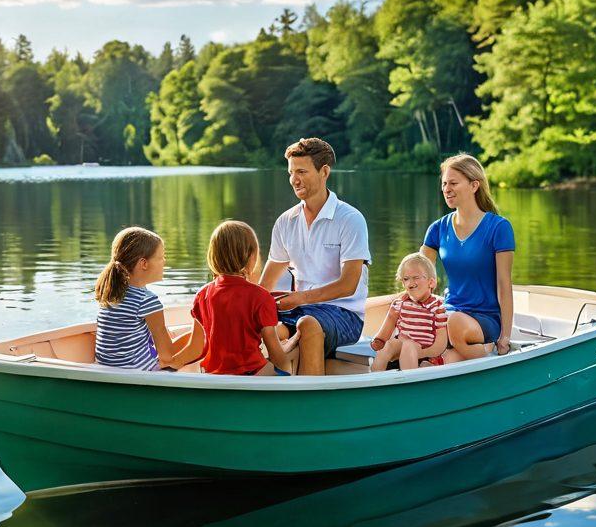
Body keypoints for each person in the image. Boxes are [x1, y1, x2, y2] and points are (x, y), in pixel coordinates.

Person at [259, 137, 370, 376]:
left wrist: (299, 298)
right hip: (300, 310)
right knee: (262, 324)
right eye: (290, 172)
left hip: (343, 314)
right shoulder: (285, 222)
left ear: (324, 172)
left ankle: (310, 405)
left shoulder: (350, 219)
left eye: (301, 171)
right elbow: (265, 285)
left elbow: (348, 285)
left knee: (307, 324)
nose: (294, 179)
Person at [420, 155, 514, 362]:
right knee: (429, 329)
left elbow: (504, 284)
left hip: (485, 318)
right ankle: (437, 363)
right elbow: (419, 276)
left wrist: (505, 336)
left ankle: (487, 348)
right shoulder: (437, 229)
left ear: (474, 186)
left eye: (453, 183)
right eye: (444, 183)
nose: (446, 188)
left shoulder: (499, 228)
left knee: (452, 323)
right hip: (449, 312)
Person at [179, 220, 298, 376]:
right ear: (251, 257)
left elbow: (195, 348)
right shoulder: (261, 297)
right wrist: (293, 349)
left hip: (212, 374)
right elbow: (275, 354)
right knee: (297, 349)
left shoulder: (202, 294)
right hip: (251, 374)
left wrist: (168, 361)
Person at [94, 226, 196, 369]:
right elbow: (166, 356)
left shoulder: (111, 293)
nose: (164, 261)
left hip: (106, 369)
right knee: (198, 349)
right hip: (139, 372)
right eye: (161, 257)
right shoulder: (147, 300)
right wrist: (195, 339)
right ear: (144, 263)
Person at [369, 252, 449, 372]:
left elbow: (441, 343)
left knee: (409, 345)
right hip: (400, 351)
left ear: (431, 282)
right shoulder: (400, 304)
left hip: (425, 355)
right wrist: (378, 341)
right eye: (406, 279)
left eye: (416, 278)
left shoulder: (437, 306)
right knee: (388, 346)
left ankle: (410, 382)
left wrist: (422, 352)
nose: (410, 283)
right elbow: (386, 330)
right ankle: (374, 379)